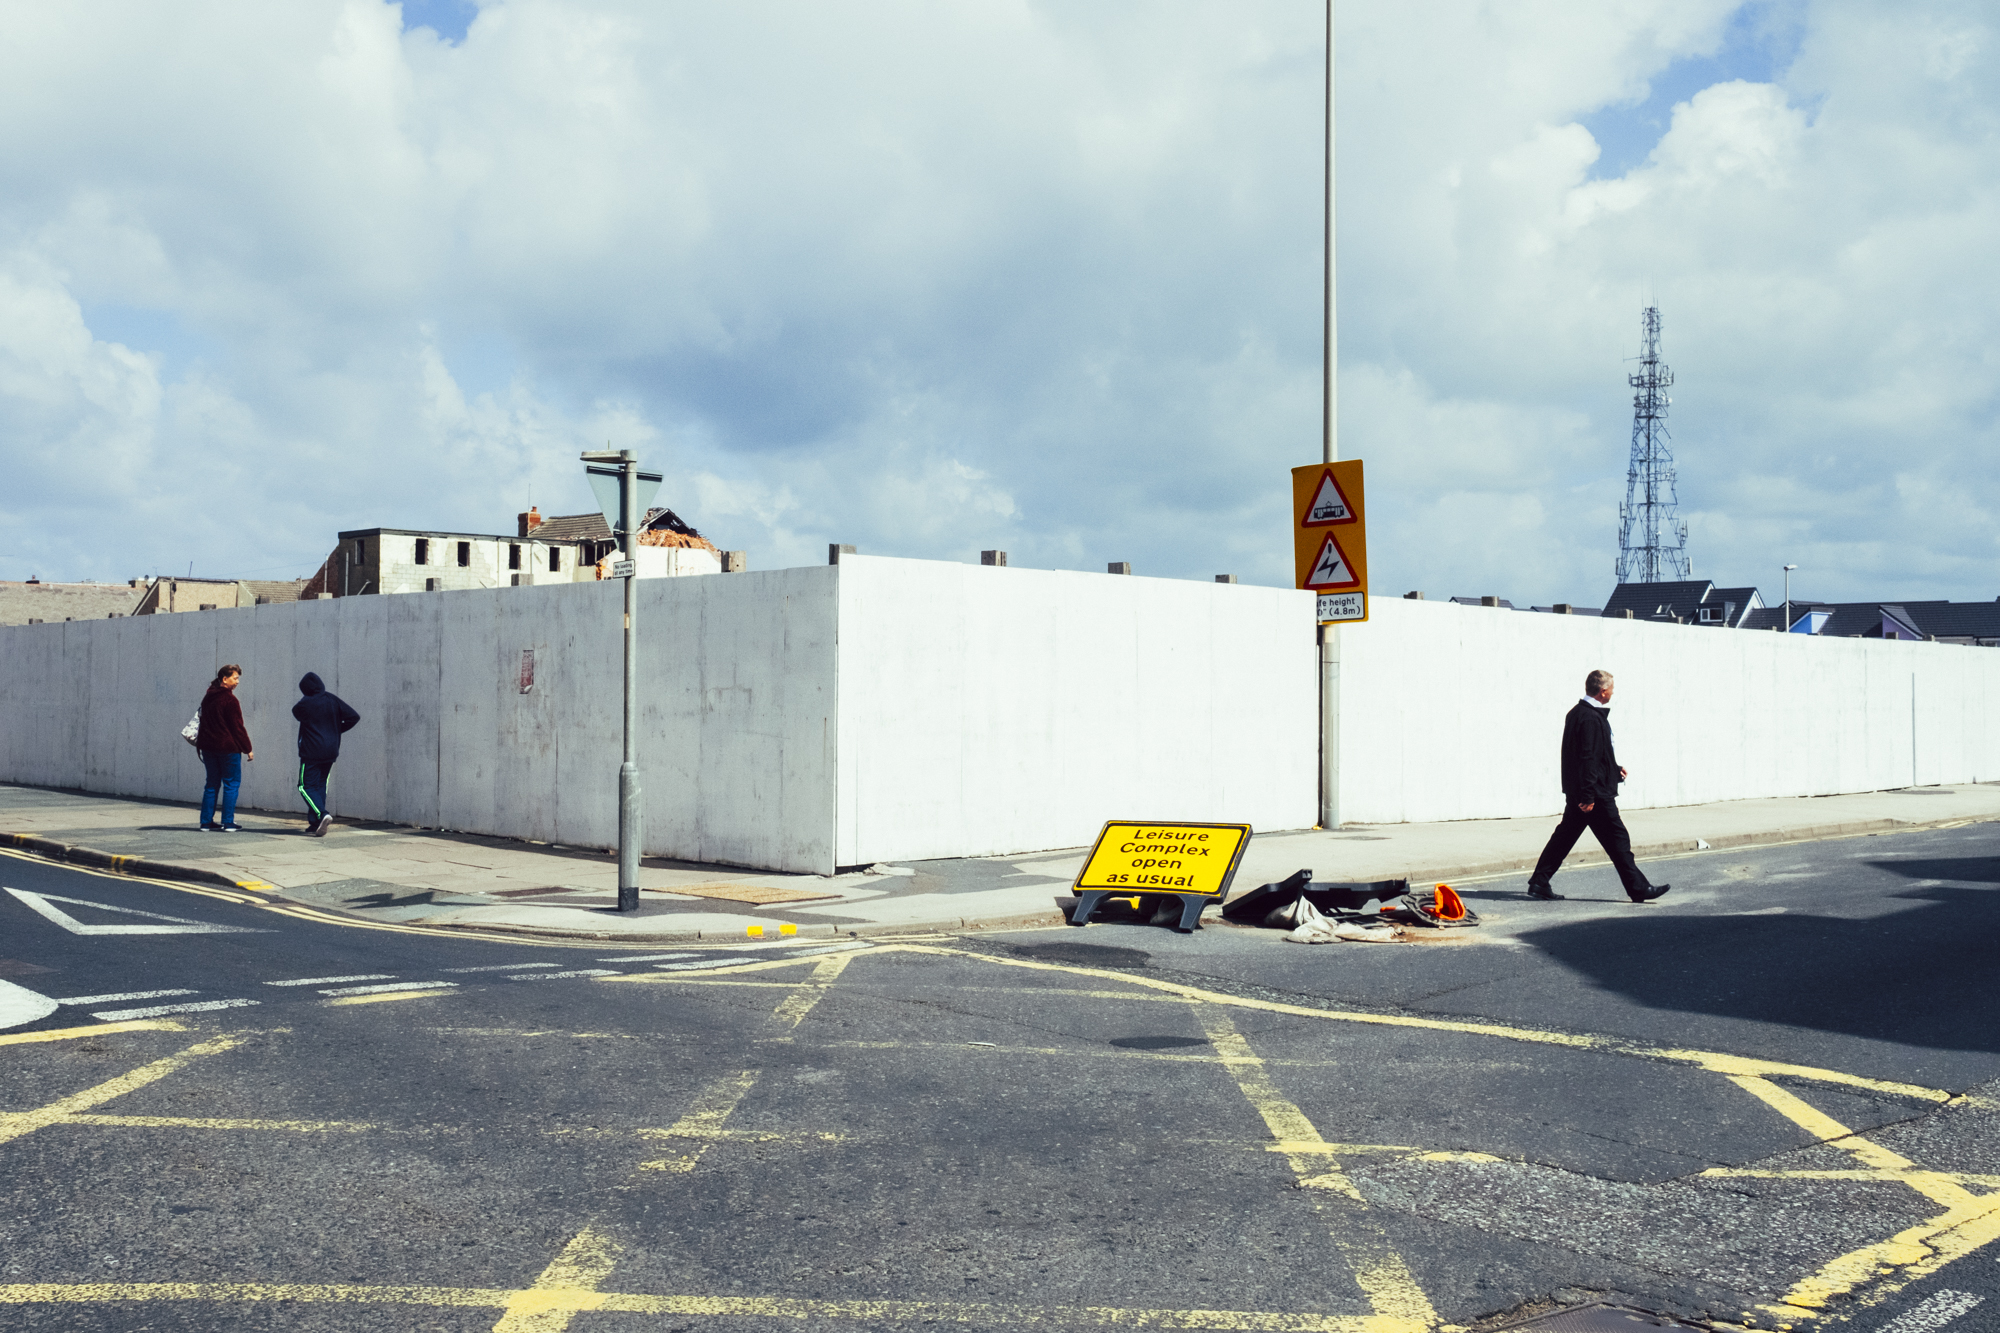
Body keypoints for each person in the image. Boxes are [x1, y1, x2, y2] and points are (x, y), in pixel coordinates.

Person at [1525, 669, 1670, 903]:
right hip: (1594, 795)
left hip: (1582, 790)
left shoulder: (1577, 713)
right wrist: (1589, 796)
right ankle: (1639, 888)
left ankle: (1539, 882)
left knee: (1564, 838)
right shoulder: (1591, 718)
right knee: (1618, 839)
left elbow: (1592, 754)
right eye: (1611, 689)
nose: (1613, 692)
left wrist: (1613, 769)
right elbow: (1587, 758)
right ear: (1603, 692)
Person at [291, 672, 360, 836]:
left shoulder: (305, 703)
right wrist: (336, 730)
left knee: (305, 786)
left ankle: (322, 814)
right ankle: (315, 823)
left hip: (312, 751)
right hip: (330, 750)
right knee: (320, 785)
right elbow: (354, 717)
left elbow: (296, 712)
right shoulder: (332, 699)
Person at [195, 664, 254, 831]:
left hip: (207, 748)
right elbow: (237, 727)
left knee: (212, 784)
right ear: (225, 679)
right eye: (235, 678)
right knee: (231, 783)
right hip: (227, 748)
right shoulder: (230, 700)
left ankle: (206, 822)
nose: (237, 682)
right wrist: (247, 748)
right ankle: (228, 822)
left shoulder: (208, 697)